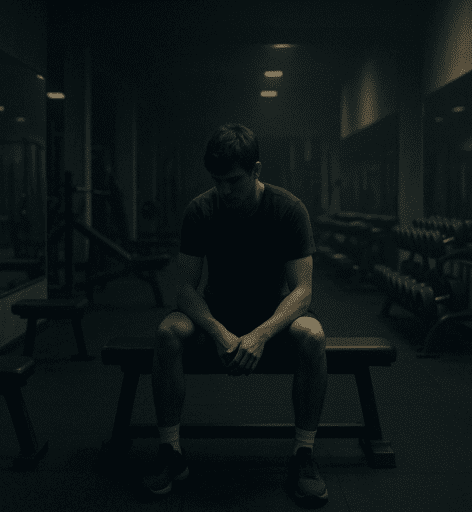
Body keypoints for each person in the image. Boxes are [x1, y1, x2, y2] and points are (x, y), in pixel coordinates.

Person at [144, 123, 328, 504]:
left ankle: (303, 454)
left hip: (273, 315)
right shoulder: (200, 210)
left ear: (256, 170)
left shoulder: (289, 209)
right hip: (217, 313)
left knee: (313, 335)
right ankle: (170, 451)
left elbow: (303, 291)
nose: (225, 190)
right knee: (166, 332)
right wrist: (217, 331)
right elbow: (185, 289)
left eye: (234, 181)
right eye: (217, 181)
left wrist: (260, 334)